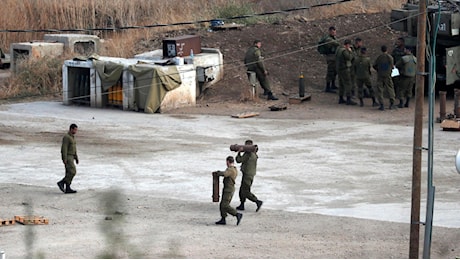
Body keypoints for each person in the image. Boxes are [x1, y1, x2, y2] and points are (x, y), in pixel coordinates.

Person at [213, 156, 243, 225]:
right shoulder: (234, 169)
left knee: (225, 205)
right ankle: (223, 219)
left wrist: (218, 173)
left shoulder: (231, 170)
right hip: (228, 189)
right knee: (222, 205)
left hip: (228, 190)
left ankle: (237, 214)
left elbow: (225, 174)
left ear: (228, 162)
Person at [235, 140, 263, 212]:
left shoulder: (248, 154)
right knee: (242, 190)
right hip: (250, 174)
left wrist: (239, 152)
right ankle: (242, 204)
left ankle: (257, 201)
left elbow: (239, 160)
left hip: (247, 175)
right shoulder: (254, 153)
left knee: (245, 191)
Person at [57, 123, 79, 194]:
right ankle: (61, 182)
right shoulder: (67, 137)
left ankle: (67, 188)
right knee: (72, 171)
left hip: (72, 156)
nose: (76, 131)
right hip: (68, 156)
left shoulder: (72, 137)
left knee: (68, 172)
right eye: (75, 130)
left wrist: (76, 157)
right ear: (71, 129)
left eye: (76, 130)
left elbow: (74, 149)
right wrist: (64, 158)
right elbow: (64, 148)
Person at [373, 45, 396, 111]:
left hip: (380, 75)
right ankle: (391, 103)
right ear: (387, 50)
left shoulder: (379, 57)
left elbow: (374, 65)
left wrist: (378, 70)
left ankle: (382, 104)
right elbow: (392, 66)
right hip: (388, 75)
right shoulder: (390, 57)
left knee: (380, 89)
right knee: (390, 89)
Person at [335, 39, 356, 105]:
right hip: (344, 69)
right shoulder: (344, 51)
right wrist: (351, 52)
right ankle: (348, 98)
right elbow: (349, 58)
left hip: (339, 68)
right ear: (348, 45)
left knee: (341, 83)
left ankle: (341, 98)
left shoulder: (339, 49)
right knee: (348, 83)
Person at [321, 26, 340, 93]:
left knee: (334, 71)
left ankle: (333, 84)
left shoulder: (333, 38)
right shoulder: (328, 39)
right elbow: (336, 43)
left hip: (334, 56)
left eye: (334, 31)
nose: (334, 33)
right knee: (330, 71)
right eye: (332, 32)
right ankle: (328, 87)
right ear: (329, 31)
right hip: (330, 56)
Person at [391, 37, 406, 103]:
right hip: (396, 68)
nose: (397, 43)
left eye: (399, 42)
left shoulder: (405, 50)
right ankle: (395, 95)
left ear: (402, 43)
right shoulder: (395, 50)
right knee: (395, 81)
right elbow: (392, 58)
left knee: (402, 83)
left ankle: (401, 96)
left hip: (403, 69)